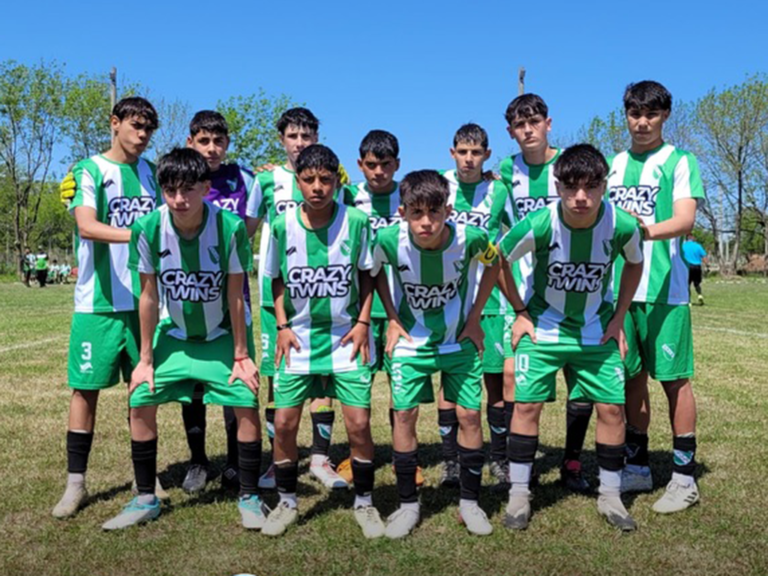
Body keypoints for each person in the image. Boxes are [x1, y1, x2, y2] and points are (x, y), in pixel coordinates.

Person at [102, 148, 263, 530]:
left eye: (188, 189)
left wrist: (241, 354)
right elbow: (148, 296)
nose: (178, 199)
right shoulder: (147, 228)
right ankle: (145, 498)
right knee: (140, 397)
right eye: (170, 190)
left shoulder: (230, 227)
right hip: (173, 334)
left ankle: (250, 497)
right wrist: (144, 360)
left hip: (221, 335)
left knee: (246, 399)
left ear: (206, 188)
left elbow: (235, 296)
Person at [499, 144, 644, 531]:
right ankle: (519, 495)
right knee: (526, 407)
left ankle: (611, 496)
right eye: (571, 187)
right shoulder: (539, 223)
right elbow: (497, 259)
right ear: (558, 186)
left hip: (596, 331)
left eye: (591, 186)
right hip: (543, 328)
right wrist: (520, 312)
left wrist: (619, 317)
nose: (581, 197)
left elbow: (635, 263)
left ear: (604, 186)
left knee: (612, 410)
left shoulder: (622, 224)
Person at [262, 144, 382, 538]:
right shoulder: (281, 225)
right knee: (284, 423)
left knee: (359, 424)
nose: (317, 187)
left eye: (326, 180)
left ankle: (365, 503)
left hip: (346, 337)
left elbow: (368, 274)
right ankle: (286, 502)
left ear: (336, 182)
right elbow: (276, 278)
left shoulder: (357, 221)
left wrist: (363, 321)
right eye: (309, 179)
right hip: (297, 339)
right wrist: (282, 325)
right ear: (297, 182)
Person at [373, 169, 501, 538]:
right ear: (403, 213)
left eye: (434, 212)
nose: (426, 222)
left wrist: (475, 317)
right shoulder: (387, 239)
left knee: (469, 416)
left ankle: (470, 503)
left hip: (458, 341)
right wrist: (392, 318)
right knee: (404, 415)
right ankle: (407, 505)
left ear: (448, 210)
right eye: (416, 213)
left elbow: (495, 264)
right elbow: (373, 271)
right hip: (411, 343)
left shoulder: (471, 237)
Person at [52, 97, 162, 519]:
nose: (143, 135)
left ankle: (144, 479)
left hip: (144, 303)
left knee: (142, 390)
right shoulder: (89, 170)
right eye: (136, 126)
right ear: (115, 123)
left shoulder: (153, 174)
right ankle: (76, 483)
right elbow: (87, 225)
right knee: (85, 390)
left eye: (149, 128)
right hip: (96, 304)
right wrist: (140, 233)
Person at [607, 81, 705, 513]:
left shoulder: (680, 160)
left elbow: (684, 220)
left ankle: (684, 477)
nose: (642, 122)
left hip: (666, 290)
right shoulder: (613, 165)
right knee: (631, 378)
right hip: (619, 292)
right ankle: (637, 465)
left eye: (651, 114)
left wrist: (640, 230)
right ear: (626, 115)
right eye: (635, 113)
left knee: (674, 380)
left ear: (665, 115)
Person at [246, 108, 347, 490]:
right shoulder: (266, 180)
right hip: (279, 298)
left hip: (324, 293)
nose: (300, 143)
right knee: (278, 377)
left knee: (323, 377)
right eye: (293, 136)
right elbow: (246, 230)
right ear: (282, 140)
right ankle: (278, 461)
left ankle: (320, 458)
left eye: (307, 136)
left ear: (317, 138)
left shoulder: (334, 179)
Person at [499, 93, 594, 493]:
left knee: (581, 381)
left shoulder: (570, 167)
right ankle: (517, 463)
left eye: (534, 122)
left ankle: (572, 461)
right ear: (511, 132)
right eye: (520, 125)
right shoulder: (506, 171)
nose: (528, 130)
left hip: (575, 284)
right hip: (524, 291)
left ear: (548, 123)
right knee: (512, 377)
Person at [176, 110, 258, 494]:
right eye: (204, 141)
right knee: (192, 385)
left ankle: (233, 464)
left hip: (233, 300)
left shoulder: (246, 179)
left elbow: (247, 234)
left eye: (218, 141)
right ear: (190, 141)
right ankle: (197, 461)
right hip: (187, 297)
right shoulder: (179, 179)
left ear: (227, 143)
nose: (211, 148)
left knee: (234, 380)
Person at [439, 123, 516, 490]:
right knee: (450, 382)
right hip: (448, 298)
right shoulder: (440, 184)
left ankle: (499, 459)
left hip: (491, 300)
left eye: (476, 153)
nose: (468, 159)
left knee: (496, 381)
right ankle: (451, 461)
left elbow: (515, 235)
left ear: (487, 155)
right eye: (462, 152)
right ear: (452, 153)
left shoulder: (499, 190)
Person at [682, 233, 707, 305]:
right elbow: (704, 256)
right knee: (697, 283)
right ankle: (699, 295)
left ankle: (689, 301)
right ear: (693, 238)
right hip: (697, 267)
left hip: (687, 267)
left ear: (686, 238)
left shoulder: (683, 246)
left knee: (687, 284)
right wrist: (707, 265)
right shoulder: (698, 246)